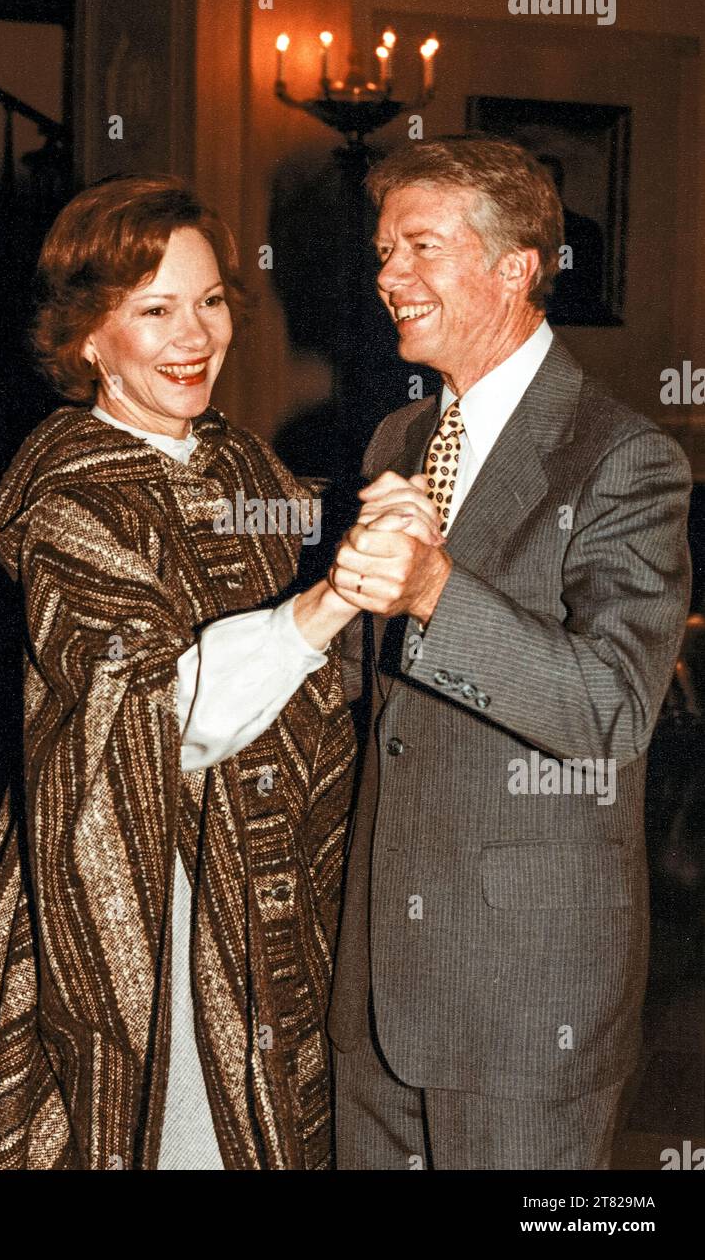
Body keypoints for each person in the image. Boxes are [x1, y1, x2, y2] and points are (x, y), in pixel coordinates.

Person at [0, 176, 422, 1170]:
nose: (193, 333)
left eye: (208, 300)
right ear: (85, 338)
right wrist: (330, 601)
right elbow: (165, 703)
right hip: (149, 893)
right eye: (152, 309)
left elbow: (335, 614)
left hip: (271, 876)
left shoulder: (236, 461)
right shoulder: (68, 495)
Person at [326, 137, 693, 1169]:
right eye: (384, 250)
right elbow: (370, 686)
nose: (388, 274)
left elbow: (616, 709)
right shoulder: (398, 438)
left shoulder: (625, 457)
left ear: (515, 266)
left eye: (419, 247)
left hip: (527, 995)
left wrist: (437, 588)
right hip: (378, 983)